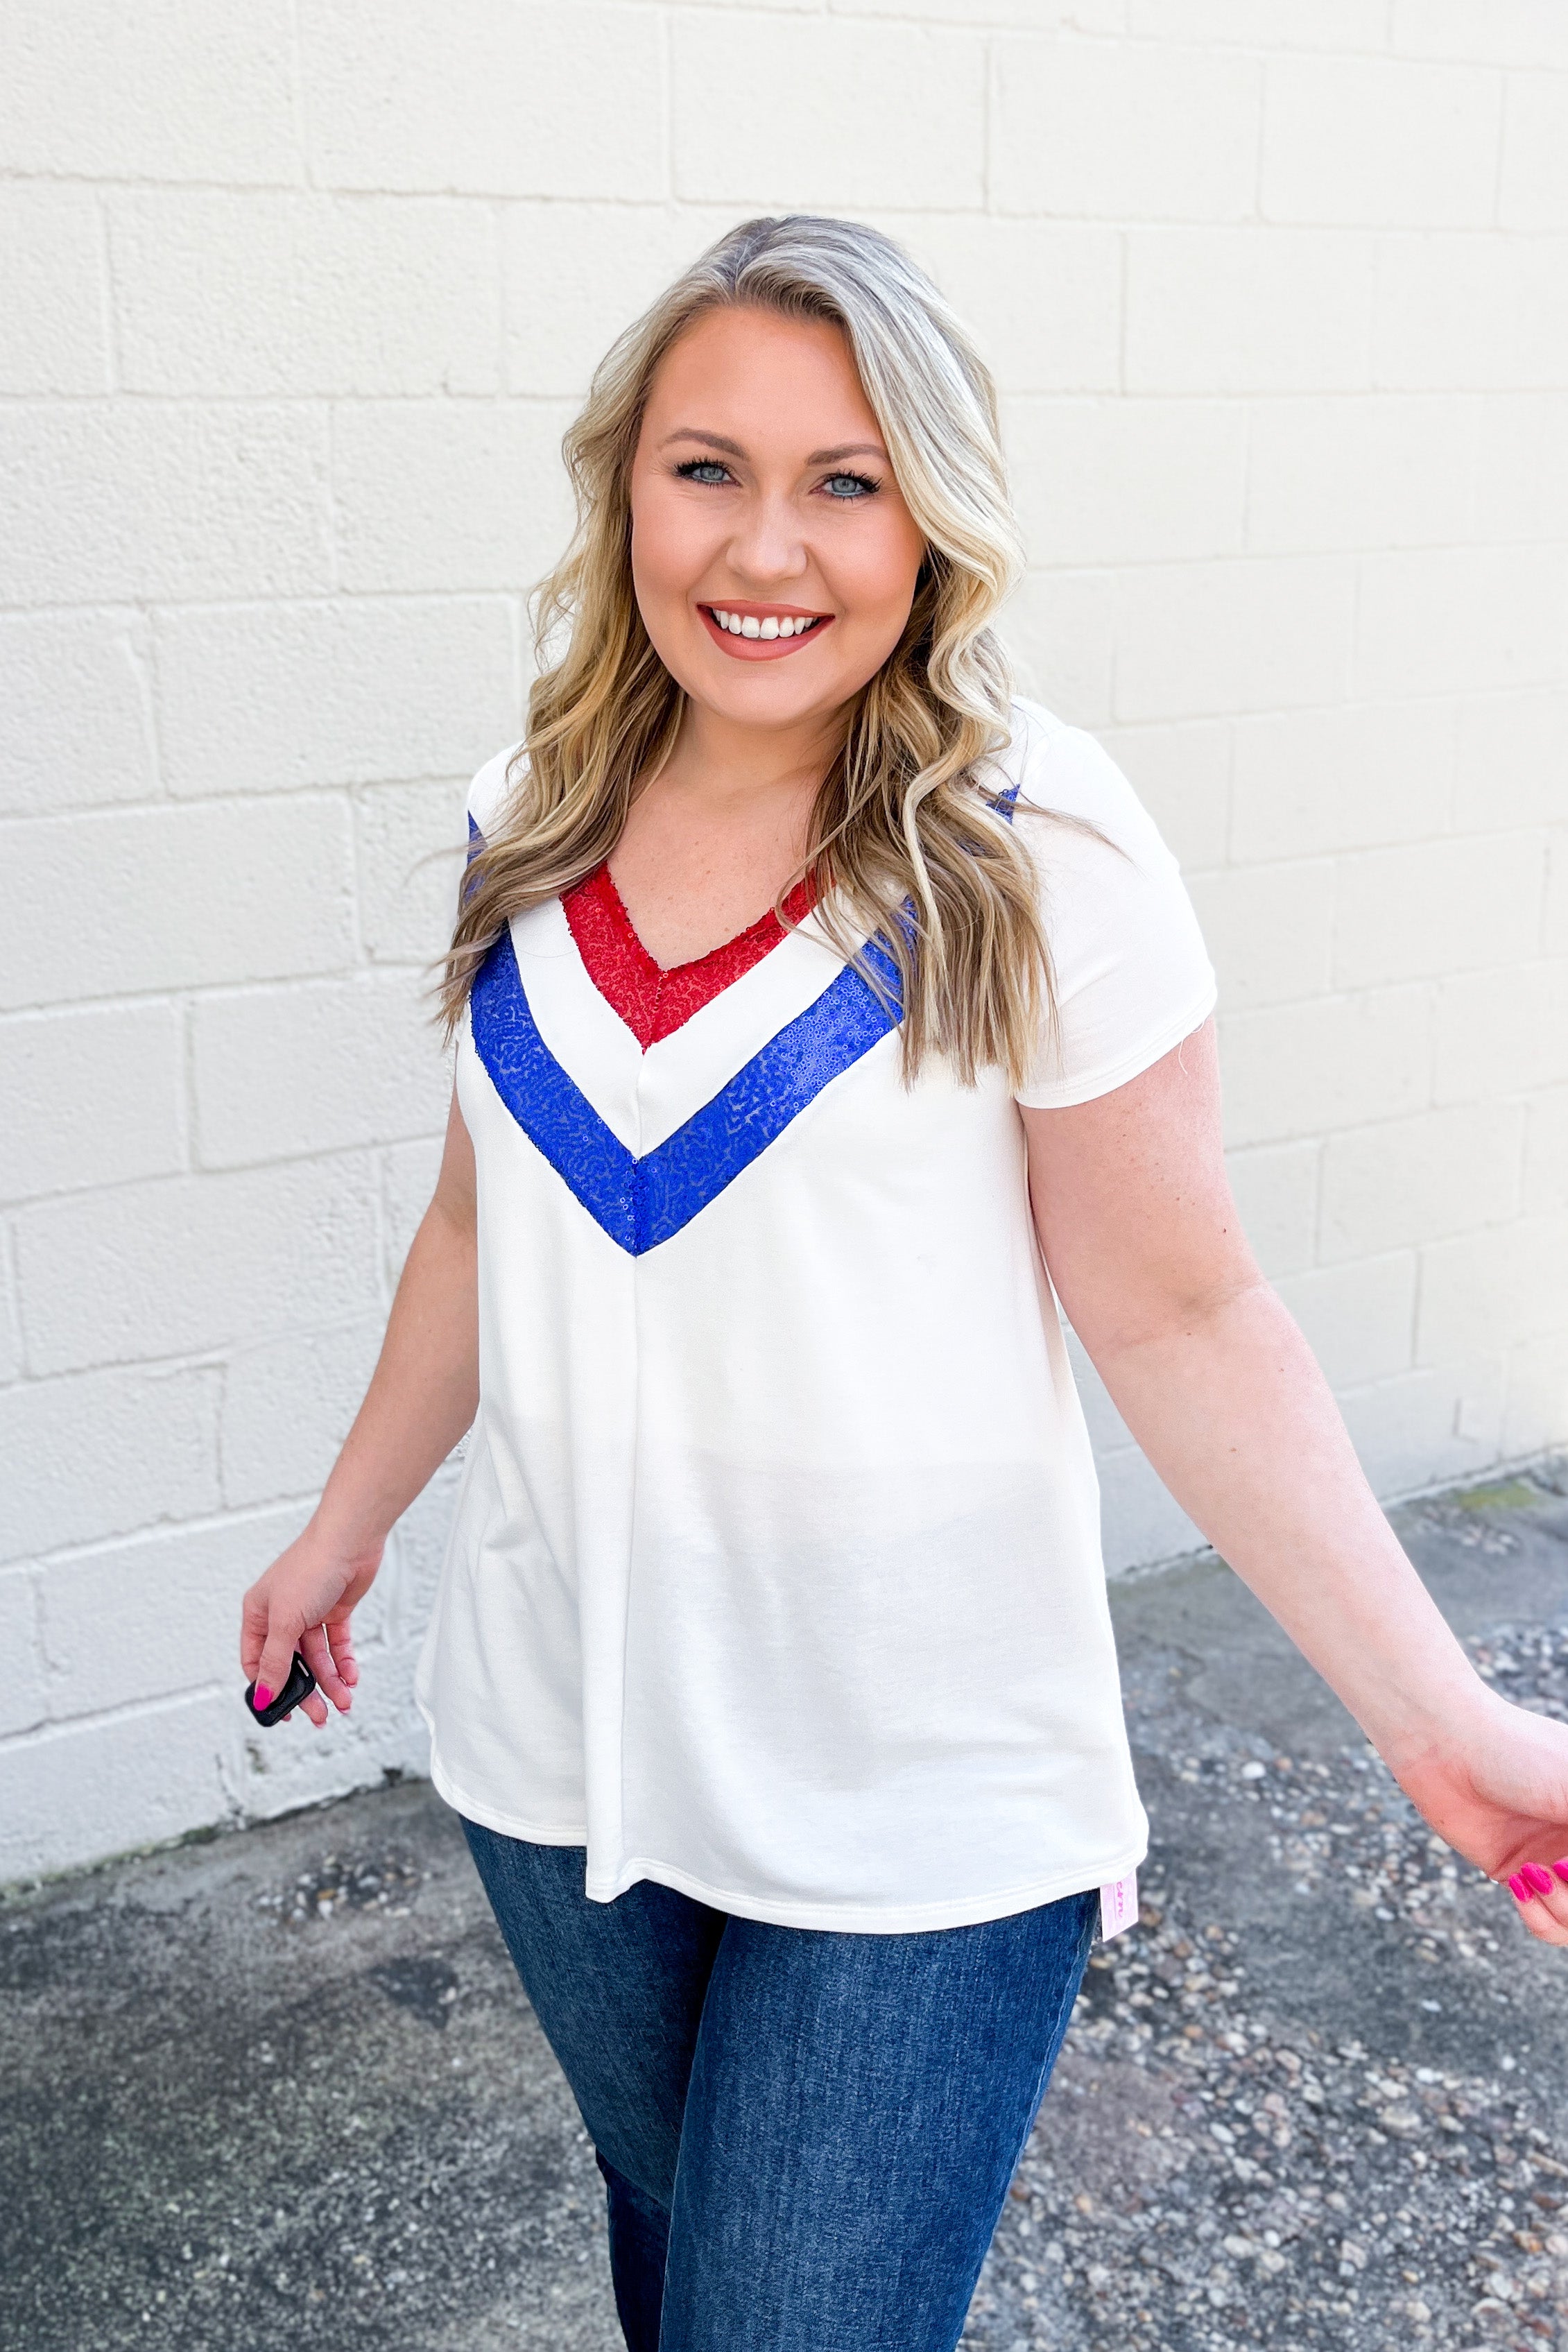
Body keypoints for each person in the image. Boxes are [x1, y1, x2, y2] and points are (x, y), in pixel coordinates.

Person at [240, 215, 1568, 2351]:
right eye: (708, 467)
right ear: (624, 488)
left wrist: (1443, 1720)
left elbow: (1183, 1309)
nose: (767, 546)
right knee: (684, 2273)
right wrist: (344, 1523)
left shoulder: (1039, 844)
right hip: (551, 1751)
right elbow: (487, 1221)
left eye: (845, 480)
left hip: (919, 1812)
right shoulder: (531, 809)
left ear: (931, 517)